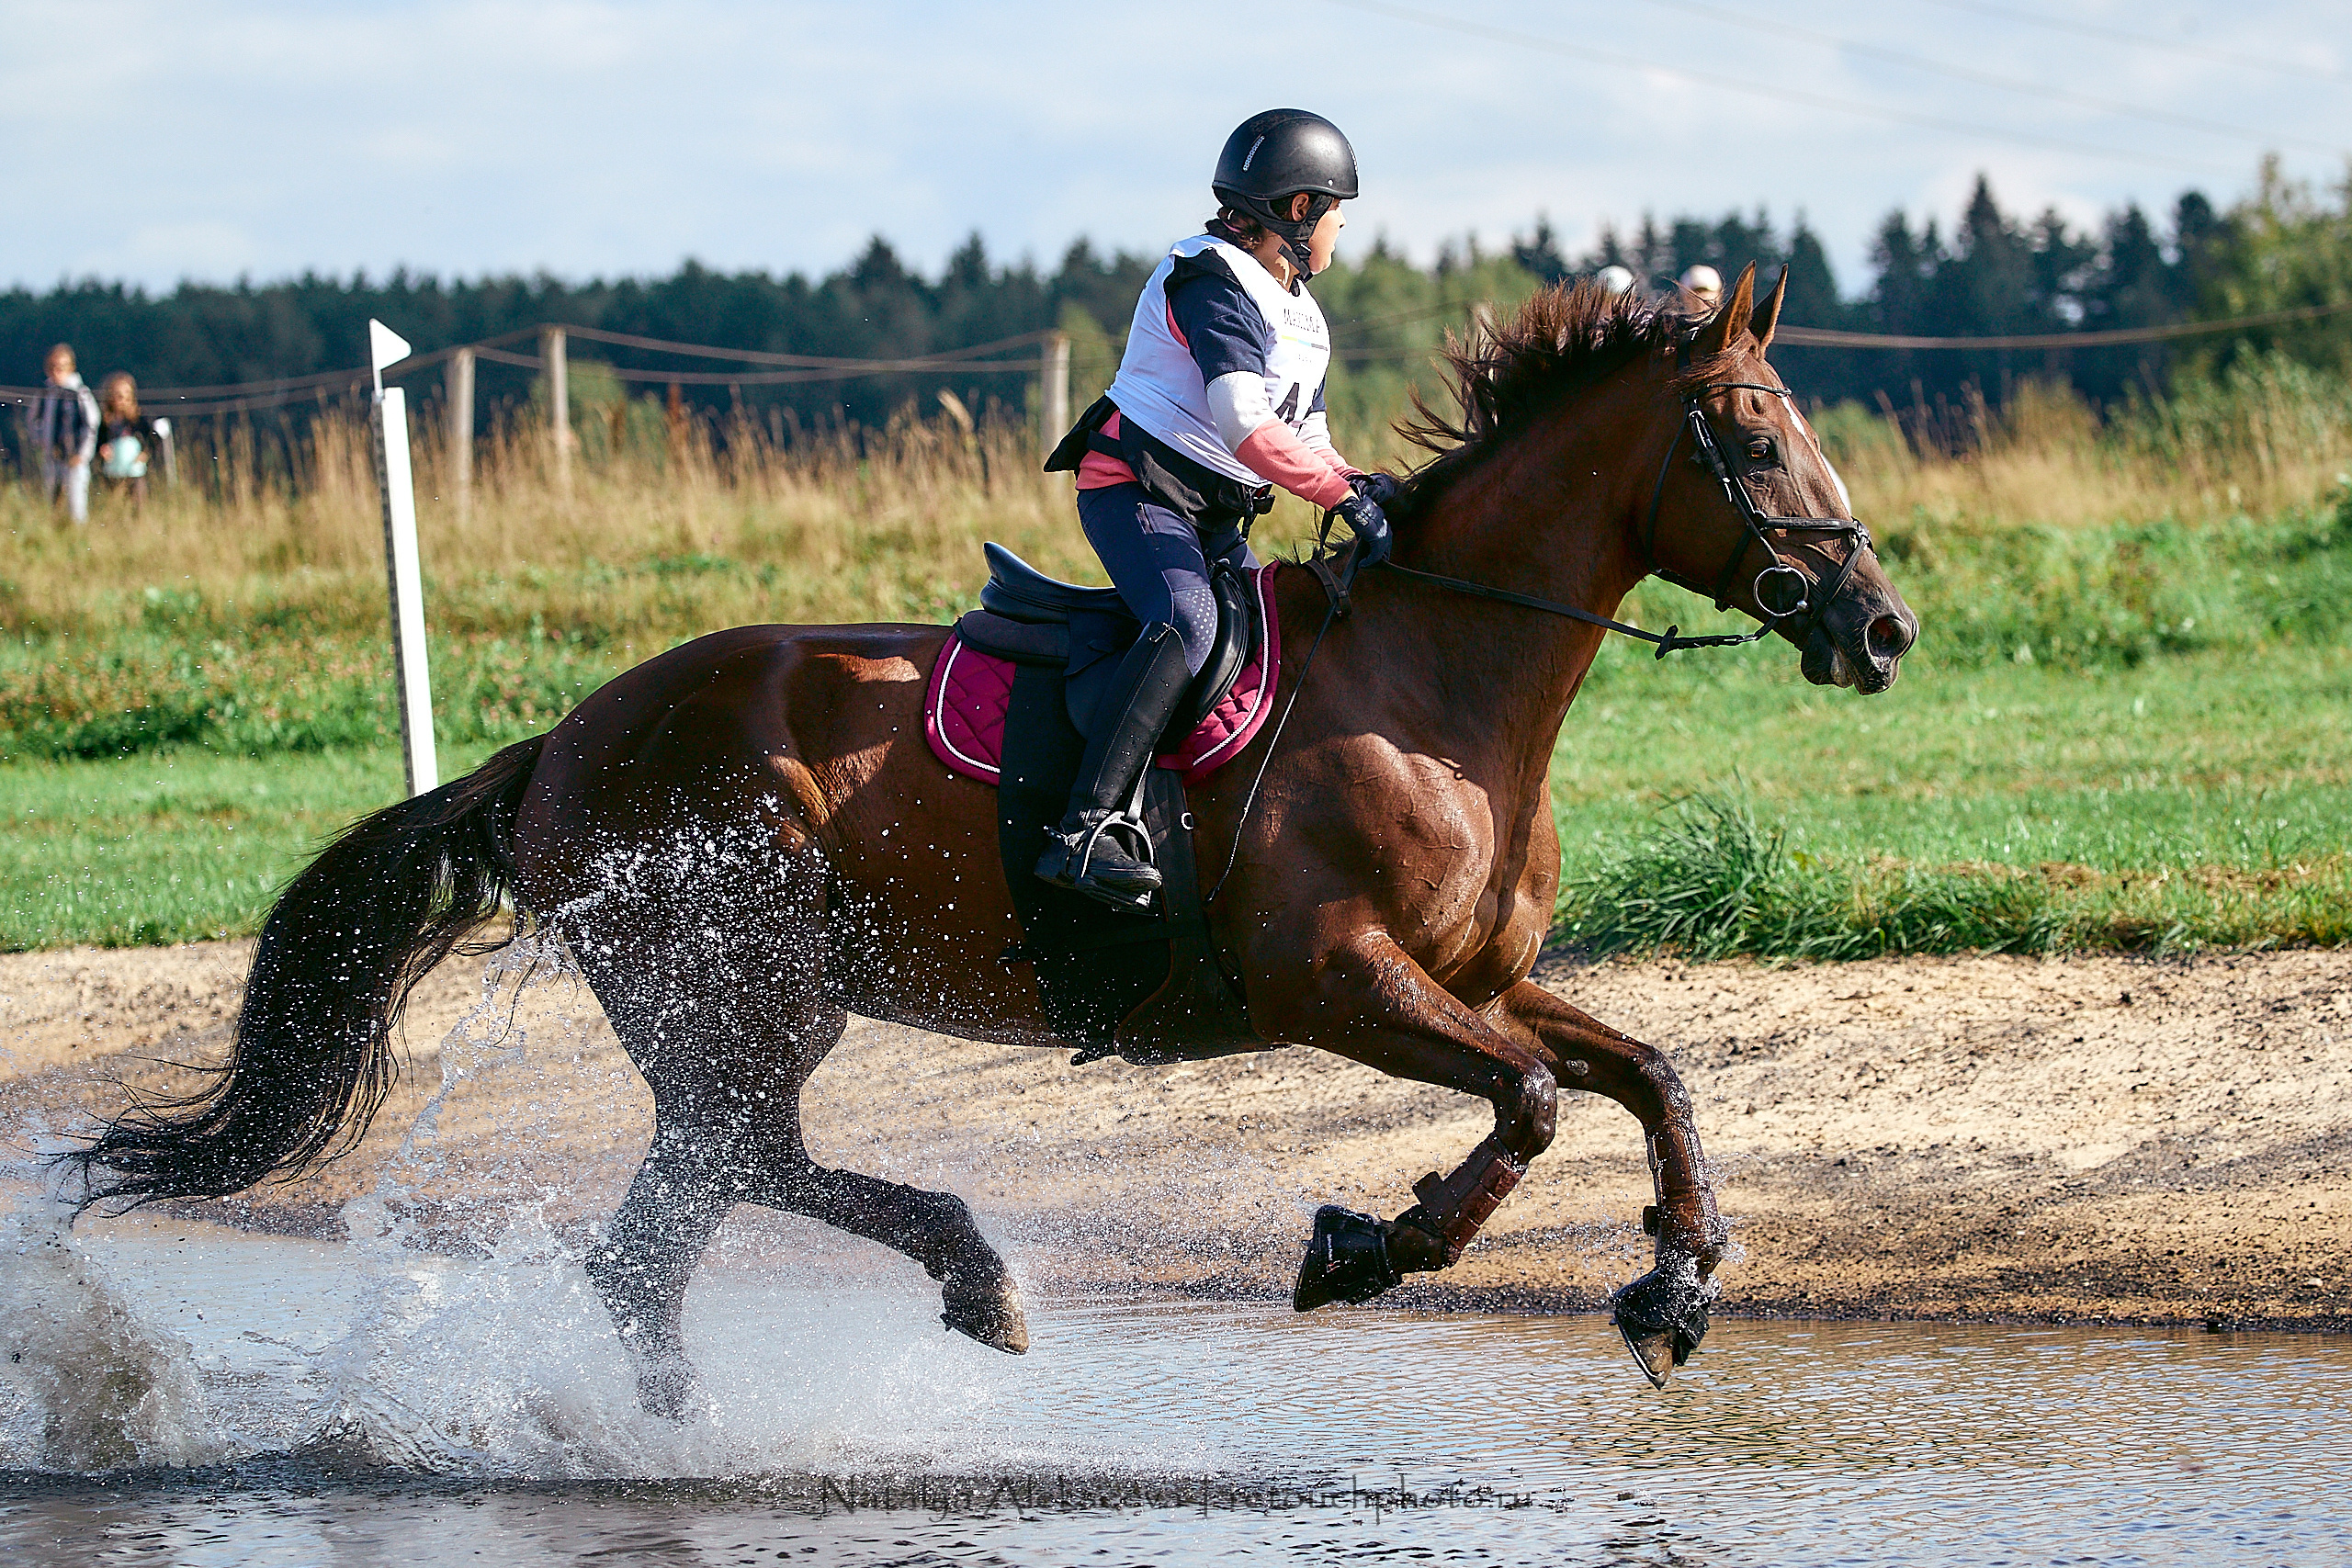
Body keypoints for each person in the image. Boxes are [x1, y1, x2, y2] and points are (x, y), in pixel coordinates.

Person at [1035, 107, 1396, 909]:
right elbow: (1244, 422)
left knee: (1273, 633)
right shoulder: (1208, 276)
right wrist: (1335, 494)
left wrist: (1365, 484)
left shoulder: (1297, 308)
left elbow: (1308, 433)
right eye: (1338, 210)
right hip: (1136, 491)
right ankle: (1084, 831)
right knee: (1188, 625)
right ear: (1299, 210)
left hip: (1211, 515)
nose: (1342, 229)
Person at [28, 344, 98, 524]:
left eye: (62, 366)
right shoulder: (45, 393)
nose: (57, 371)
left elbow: (91, 424)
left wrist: (82, 455)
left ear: (71, 367)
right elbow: (33, 420)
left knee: (76, 507)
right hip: (52, 458)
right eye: (53, 366)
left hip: (74, 459)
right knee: (52, 503)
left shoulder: (80, 393)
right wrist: (40, 442)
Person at [94, 372, 163, 507]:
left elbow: (155, 439)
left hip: (134, 472)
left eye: (125, 394)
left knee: (137, 505)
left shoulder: (139, 419)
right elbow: (98, 443)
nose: (122, 399)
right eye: (117, 394)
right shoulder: (105, 421)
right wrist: (102, 451)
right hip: (112, 472)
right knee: (115, 506)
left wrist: (145, 453)